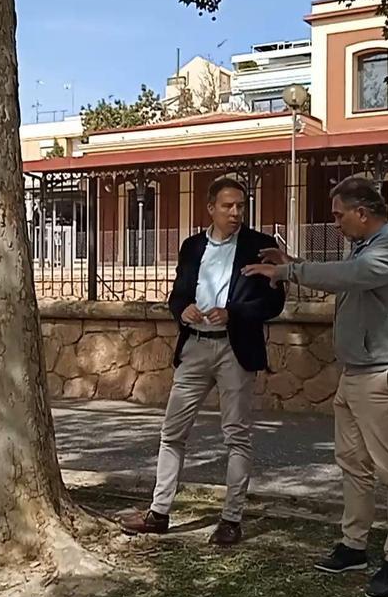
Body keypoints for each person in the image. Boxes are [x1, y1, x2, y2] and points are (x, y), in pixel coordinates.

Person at [242, 176, 388, 597]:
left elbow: (352, 276)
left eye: (340, 215)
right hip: (358, 374)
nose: (336, 223)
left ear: (363, 213)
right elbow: (348, 274)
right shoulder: (364, 247)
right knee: (353, 466)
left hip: (386, 376)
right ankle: (354, 547)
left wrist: (288, 269)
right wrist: (293, 260)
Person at [120, 176, 286, 546]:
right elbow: (178, 294)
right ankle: (159, 512)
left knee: (237, 436)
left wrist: (234, 313)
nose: (236, 212)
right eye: (228, 206)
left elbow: (274, 303)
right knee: (172, 432)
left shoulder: (260, 246)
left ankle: (231, 519)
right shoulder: (192, 246)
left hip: (235, 349)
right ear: (210, 208)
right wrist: (183, 311)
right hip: (195, 347)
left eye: (241, 206)